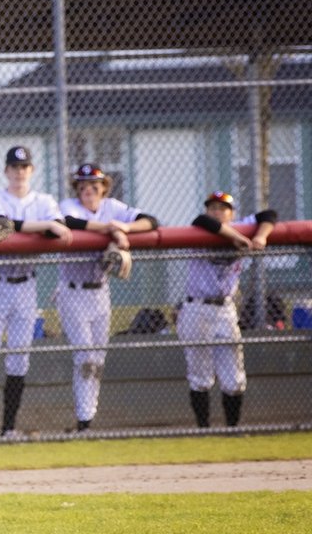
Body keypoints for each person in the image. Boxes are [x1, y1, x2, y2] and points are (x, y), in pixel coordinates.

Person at [0, 146, 72, 441]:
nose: (19, 172)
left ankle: (8, 429)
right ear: (6, 171)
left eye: (24, 167)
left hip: (26, 284)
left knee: (19, 359)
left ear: (31, 170)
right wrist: (43, 226)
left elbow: (58, 228)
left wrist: (44, 226)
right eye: (14, 167)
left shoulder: (44, 201)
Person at [57, 164, 158, 433]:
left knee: (98, 359)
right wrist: (111, 230)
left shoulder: (112, 206)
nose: (88, 190)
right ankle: (83, 421)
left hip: (100, 292)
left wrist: (124, 226)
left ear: (104, 188)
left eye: (94, 185)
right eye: (82, 186)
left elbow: (151, 221)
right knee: (85, 357)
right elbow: (69, 222)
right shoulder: (69, 206)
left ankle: (87, 419)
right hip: (72, 291)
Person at [178, 191, 277, 428]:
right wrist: (236, 237)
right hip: (197, 307)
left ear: (232, 213)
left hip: (225, 309)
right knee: (200, 376)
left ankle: (232, 429)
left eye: (223, 208)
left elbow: (269, 214)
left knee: (234, 377)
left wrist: (260, 236)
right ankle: (203, 430)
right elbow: (201, 220)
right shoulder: (201, 228)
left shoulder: (243, 225)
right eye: (213, 207)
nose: (217, 212)